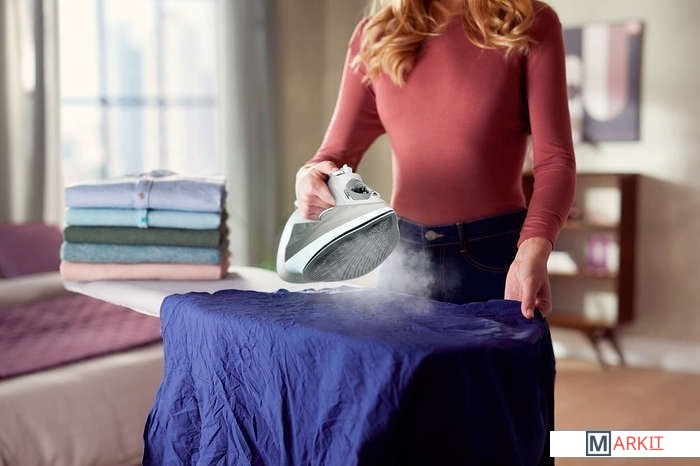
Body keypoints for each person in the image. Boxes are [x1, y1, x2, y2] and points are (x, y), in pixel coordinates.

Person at [295, 0, 575, 319]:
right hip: (402, 257)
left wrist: (534, 248)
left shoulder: (527, 22)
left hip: (497, 258)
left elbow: (555, 160)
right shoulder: (376, 35)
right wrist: (308, 178)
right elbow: (332, 156)